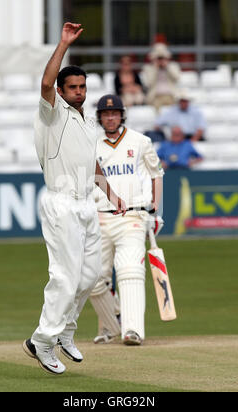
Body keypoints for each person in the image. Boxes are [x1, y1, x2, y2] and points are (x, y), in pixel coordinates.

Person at [22, 23, 126, 376]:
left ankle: (65, 331)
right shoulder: (52, 113)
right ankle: (42, 340)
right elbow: (45, 83)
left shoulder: (86, 120)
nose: (79, 92)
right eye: (73, 88)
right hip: (61, 203)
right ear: (63, 91)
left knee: (91, 276)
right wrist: (64, 43)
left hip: (85, 203)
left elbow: (90, 160)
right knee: (65, 278)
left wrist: (110, 192)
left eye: (83, 87)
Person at [89, 94, 164, 346]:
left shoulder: (141, 141)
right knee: (93, 279)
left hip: (132, 215)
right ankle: (112, 324)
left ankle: (132, 330)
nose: (110, 118)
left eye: (115, 113)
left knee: (130, 269)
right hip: (99, 217)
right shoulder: (90, 144)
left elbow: (156, 174)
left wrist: (155, 211)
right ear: (100, 117)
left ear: (122, 115)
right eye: (106, 114)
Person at [141, 43, 181, 111]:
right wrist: (155, 68)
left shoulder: (173, 66)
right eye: (159, 58)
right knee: (158, 110)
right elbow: (148, 84)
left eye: (162, 58)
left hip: (171, 95)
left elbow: (176, 78)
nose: (161, 60)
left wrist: (167, 67)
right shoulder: (148, 68)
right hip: (156, 96)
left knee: (175, 110)